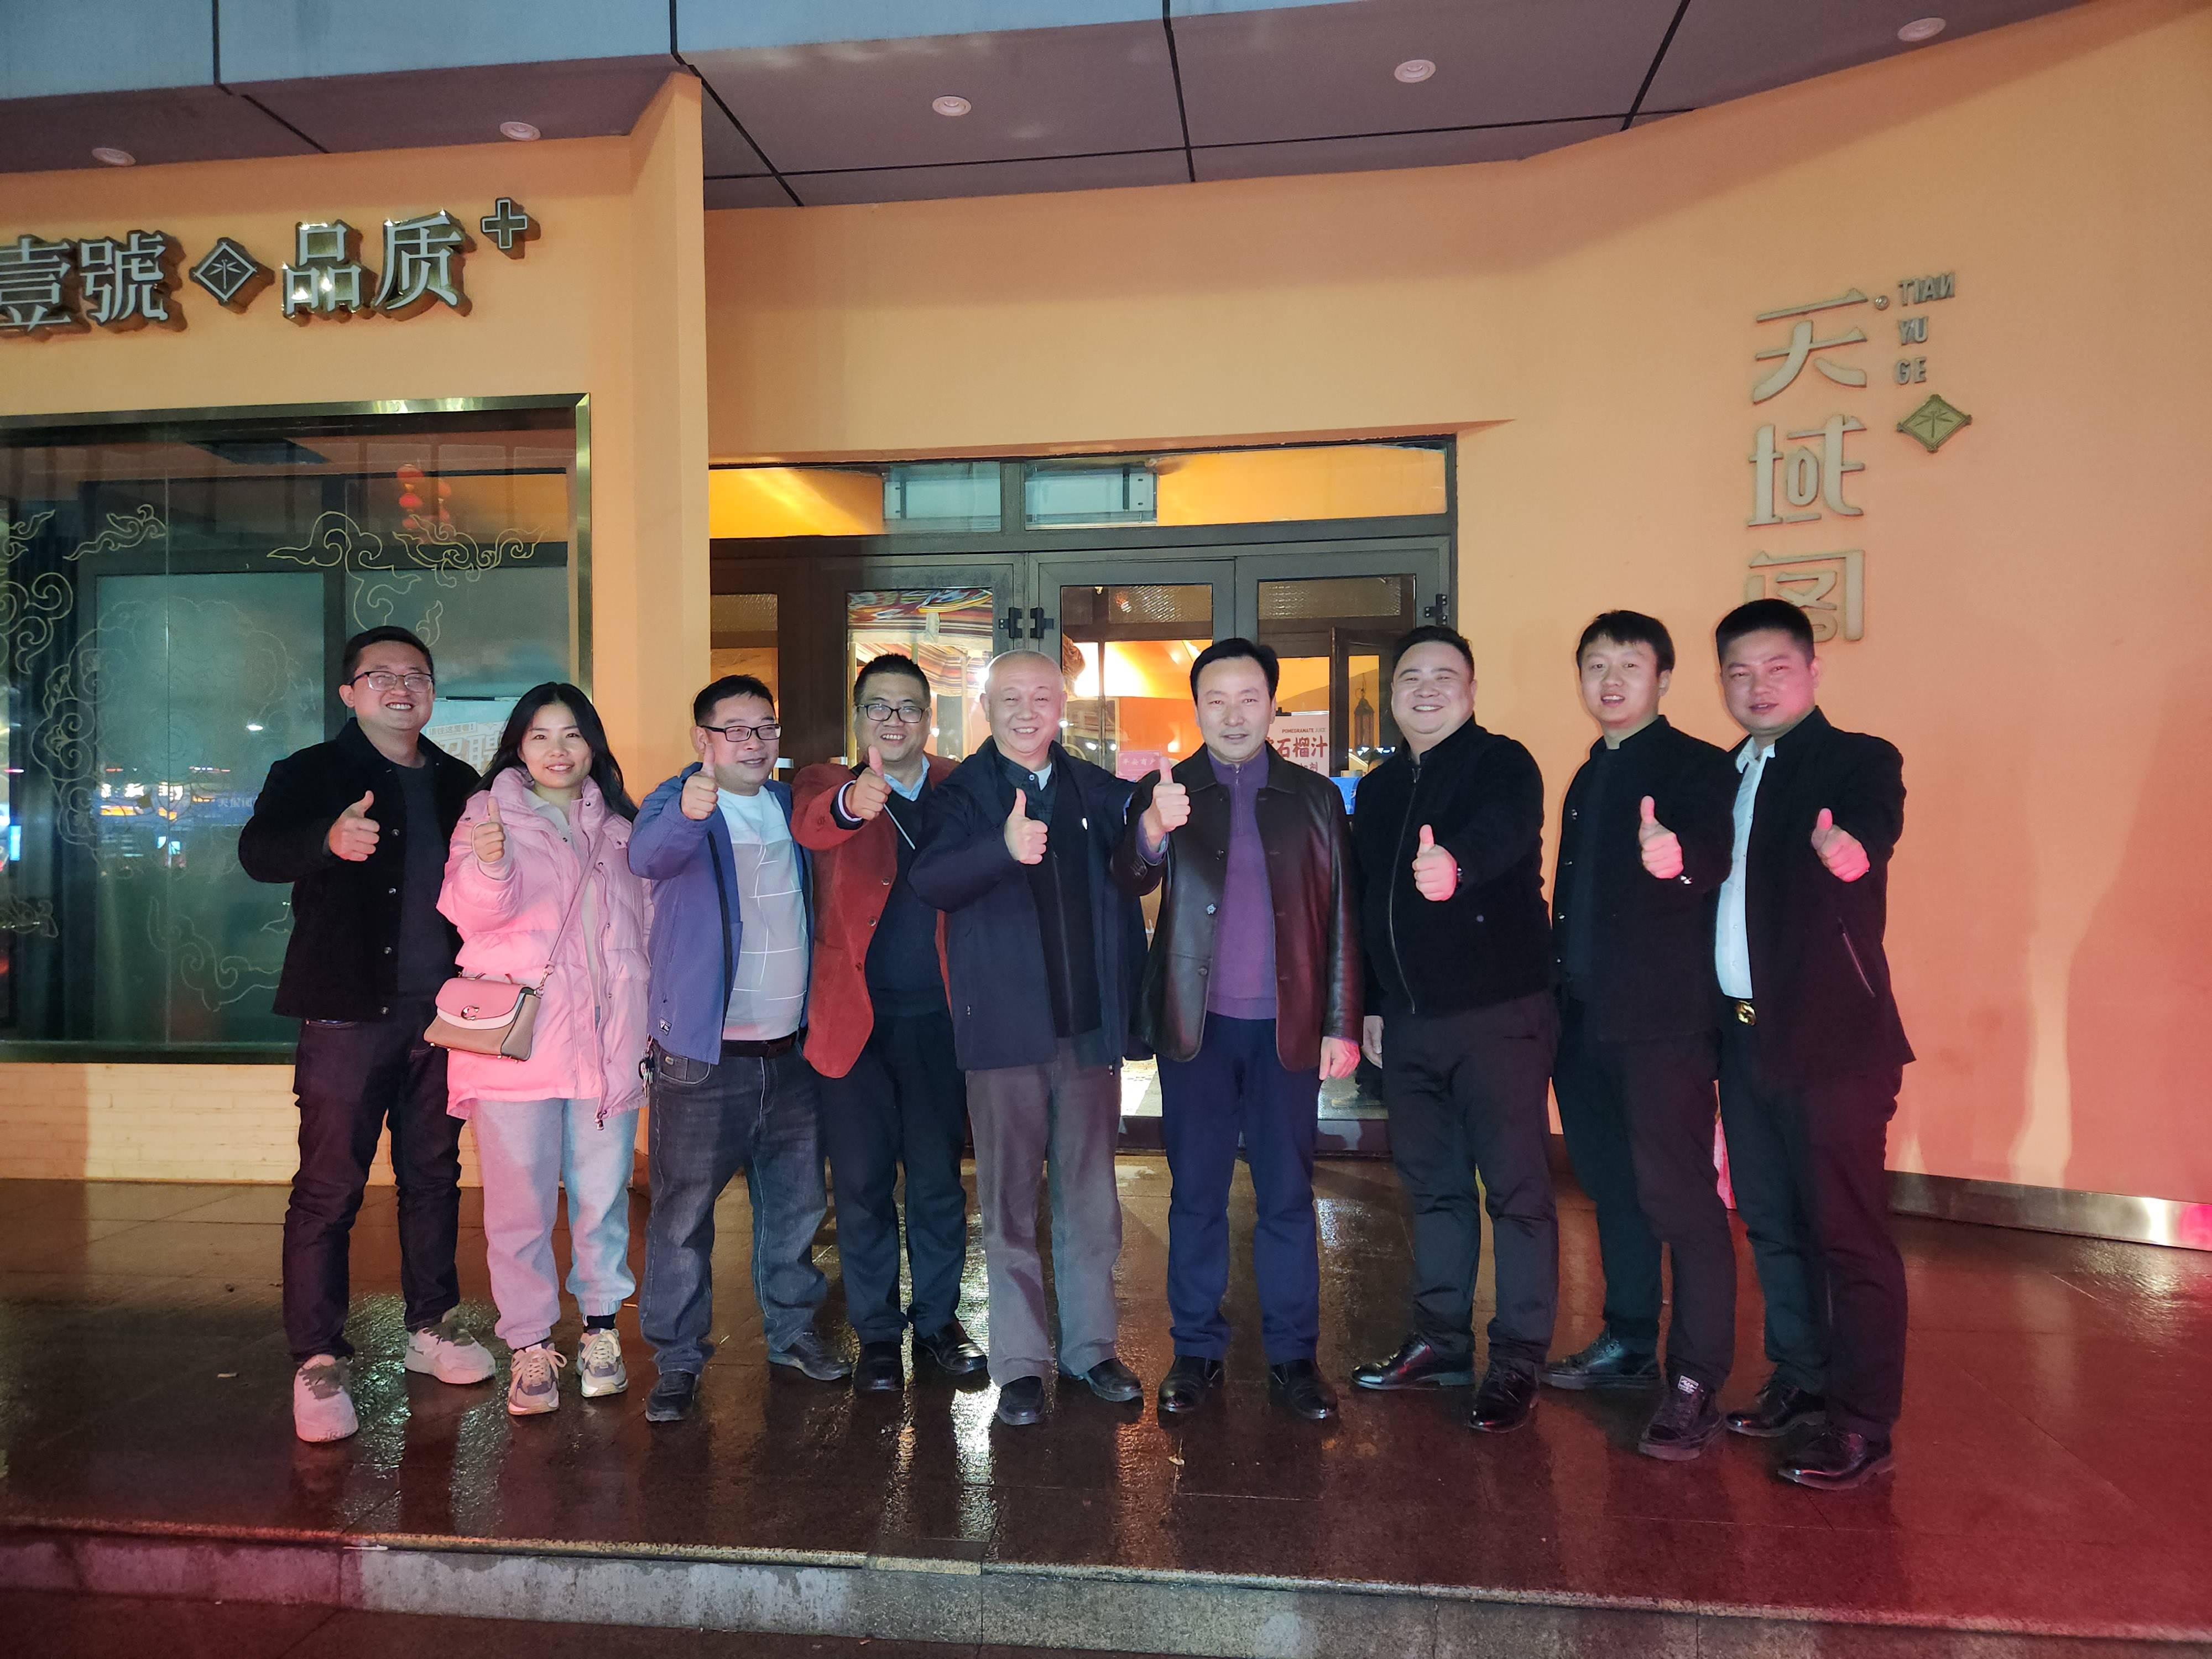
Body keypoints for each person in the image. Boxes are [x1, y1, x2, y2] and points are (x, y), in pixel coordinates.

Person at [241, 625, 494, 1444]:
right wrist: (325, 840)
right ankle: (317, 1358)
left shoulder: (459, 782)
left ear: (432, 692)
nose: (400, 687)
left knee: (434, 1175)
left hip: (443, 1014)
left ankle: (432, 1326)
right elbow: (257, 852)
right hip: (347, 1011)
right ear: (350, 692)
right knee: (329, 1187)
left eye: (415, 675)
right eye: (380, 675)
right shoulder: (311, 772)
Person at [1113, 638, 1360, 1425]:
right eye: (1215, 700)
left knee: (1288, 1195)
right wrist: (1151, 830)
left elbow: (1342, 916)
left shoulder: (1315, 798)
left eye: (1248, 698)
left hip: (1288, 1029)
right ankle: (1195, 1350)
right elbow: (1129, 876)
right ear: (1196, 709)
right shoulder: (1167, 788)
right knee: (1196, 1194)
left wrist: (1341, 1022)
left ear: (1272, 705)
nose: (1232, 714)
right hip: (1198, 1029)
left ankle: (1294, 1356)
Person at [907, 650, 1148, 1427]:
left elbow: (1139, 851)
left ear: (1062, 705)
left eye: (1041, 697)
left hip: (1086, 1031)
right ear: (985, 704)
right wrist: (1000, 849)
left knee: (1090, 1199)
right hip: (1002, 1034)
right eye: (1009, 697)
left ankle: (1091, 1349)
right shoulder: (961, 795)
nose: (1025, 711)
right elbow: (930, 880)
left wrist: (1153, 826)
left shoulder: (1091, 787)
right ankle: (1019, 1365)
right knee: (1009, 1205)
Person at [1710, 598, 1913, 1490]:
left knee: (1847, 1233)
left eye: (1777, 669)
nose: (1758, 687)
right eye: (1740, 673)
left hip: (1833, 1041)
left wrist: (1850, 848)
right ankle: (1801, 1376)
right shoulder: (1723, 774)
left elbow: (1872, 827)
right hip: (1744, 1036)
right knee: (1772, 1221)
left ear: (1811, 672)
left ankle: (1862, 1422)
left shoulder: (1858, 759)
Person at [1348, 624, 1558, 1433]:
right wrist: (1372, 1001)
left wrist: (1457, 865)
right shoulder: (1378, 789)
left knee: (1516, 1192)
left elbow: (1505, 831)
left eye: (1444, 676)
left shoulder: (1503, 762)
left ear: (1471, 691)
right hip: (1408, 1024)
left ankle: (1519, 1357)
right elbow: (1369, 901)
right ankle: (1441, 1340)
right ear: (1392, 695)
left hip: (1499, 1015)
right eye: (1411, 677)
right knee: (1433, 1189)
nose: (1426, 689)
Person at [1542, 613, 1741, 1459]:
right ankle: (1628, 1340)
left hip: (1664, 1028)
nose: (1612, 680)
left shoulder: (1700, 766)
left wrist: (1678, 859)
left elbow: (1713, 858)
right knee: (1613, 1188)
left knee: (1681, 1199)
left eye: (1630, 664)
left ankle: (1694, 1379)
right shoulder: (1590, 773)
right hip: (1585, 1022)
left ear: (1664, 678)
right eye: (1596, 665)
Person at [628, 674, 848, 1424]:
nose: (754, 743)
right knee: (682, 1217)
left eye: (766, 728)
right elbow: (648, 858)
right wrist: (690, 812)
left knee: (796, 1207)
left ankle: (792, 1332)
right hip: (703, 1057)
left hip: (791, 1053)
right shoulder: (678, 800)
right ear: (704, 739)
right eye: (736, 729)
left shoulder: (790, 807)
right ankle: (677, 1360)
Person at [437, 684, 650, 1417]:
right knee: (519, 1209)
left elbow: (649, 927)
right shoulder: (487, 815)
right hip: (519, 1049)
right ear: (518, 747)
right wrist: (490, 865)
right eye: (540, 736)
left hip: (606, 1048)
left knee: (602, 1201)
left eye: (572, 735)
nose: (558, 751)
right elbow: (467, 912)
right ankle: (529, 1344)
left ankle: (600, 1330)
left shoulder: (622, 826)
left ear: (593, 744)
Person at [792, 653, 985, 1392]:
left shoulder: (959, 785)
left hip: (937, 1022)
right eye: (879, 707)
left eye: (909, 707)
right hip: (853, 1028)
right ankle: (876, 1332)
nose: (894, 720)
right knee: (863, 1185)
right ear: (858, 718)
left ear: (929, 717)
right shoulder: (827, 782)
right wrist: (854, 800)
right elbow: (816, 823)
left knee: (936, 1182)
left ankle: (937, 1321)